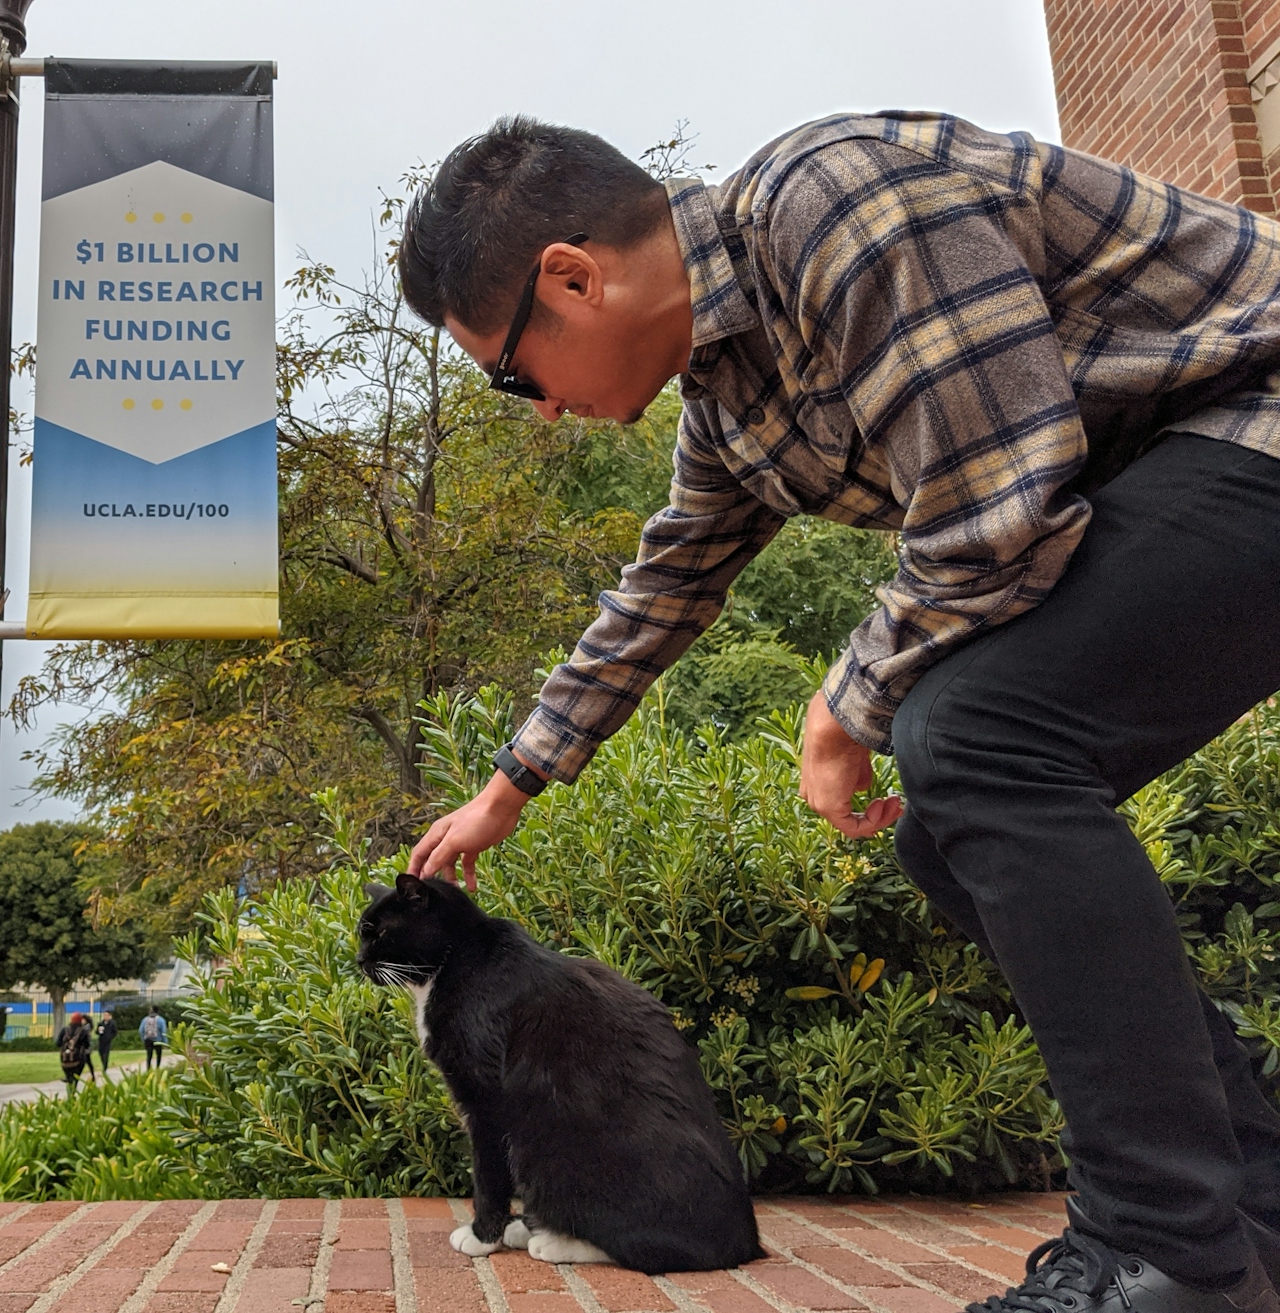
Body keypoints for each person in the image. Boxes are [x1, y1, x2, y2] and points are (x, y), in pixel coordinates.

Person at [397, 113, 1280, 1311]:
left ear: (571, 277)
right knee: (947, 822)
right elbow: (664, 587)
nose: (536, 409)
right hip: (1181, 471)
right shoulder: (727, 398)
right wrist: (507, 786)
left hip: (1254, 415)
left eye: (511, 373)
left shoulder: (833, 206)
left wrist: (843, 703)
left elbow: (992, 515)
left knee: (969, 740)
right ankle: (1246, 1203)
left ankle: (1164, 1245)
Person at [55, 1012, 94, 1089]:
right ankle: (73, 1093)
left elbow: (58, 1043)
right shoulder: (83, 1031)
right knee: (75, 1078)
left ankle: (70, 1089)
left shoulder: (64, 1030)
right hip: (78, 1059)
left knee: (69, 1078)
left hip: (65, 1059)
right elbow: (87, 1045)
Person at [140, 1006, 166, 1070]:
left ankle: (148, 1069)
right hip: (158, 1040)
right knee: (158, 1055)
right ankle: (157, 1068)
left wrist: (143, 1038)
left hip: (148, 1039)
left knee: (149, 1055)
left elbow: (140, 1030)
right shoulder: (161, 1020)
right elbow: (164, 1031)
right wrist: (165, 1042)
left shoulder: (145, 1019)